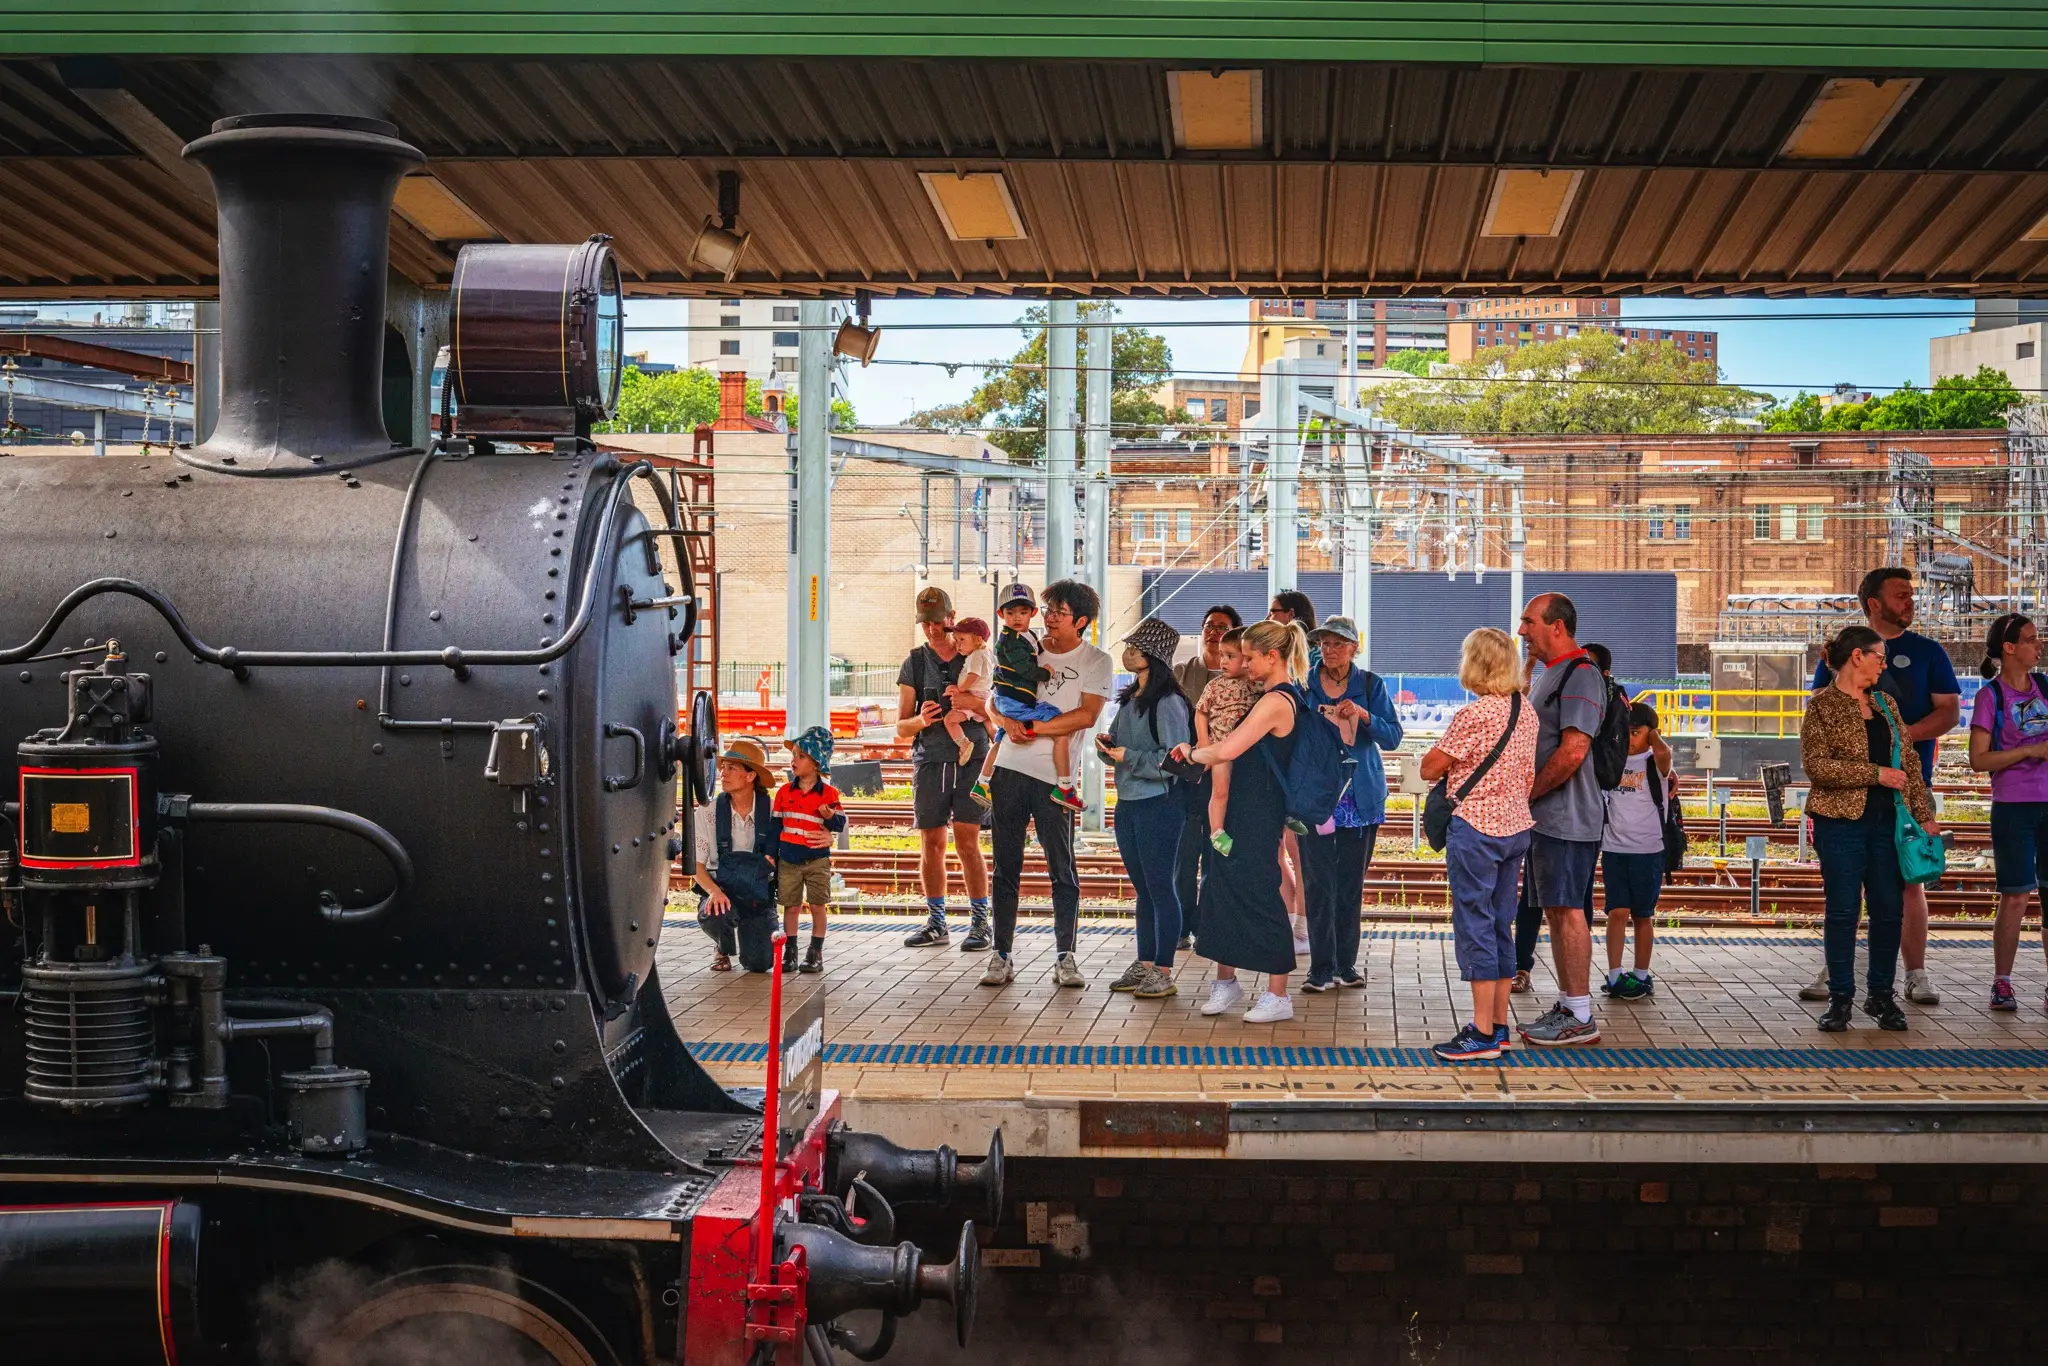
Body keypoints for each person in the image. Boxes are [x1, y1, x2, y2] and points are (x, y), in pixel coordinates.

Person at [1801, 567, 1960, 1007]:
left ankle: (1915, 973)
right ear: (1875, 603)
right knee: (1844, 890)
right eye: (1902, 594)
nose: (1911, 601)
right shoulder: (1842, 654)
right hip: (1849, 800)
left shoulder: (1929, 652)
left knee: (1909, 882)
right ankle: (1839, 973)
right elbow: (1823, 712)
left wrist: (1901, 737)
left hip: (1905, 788)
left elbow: (1949, 713)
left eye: (1911, 594)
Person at [980, 580, 1113, 989]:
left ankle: (1065, 955)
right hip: (1008, 769)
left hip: (1054, 780)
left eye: (1059, 612)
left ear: (1082, 622)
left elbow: (1087, 716)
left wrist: (1034, 727)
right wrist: (1005, 722)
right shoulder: (1023, 645)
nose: (1049, 617)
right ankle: (1001, 954)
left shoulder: (1097, 660)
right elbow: (991, 699)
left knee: (1062, 868)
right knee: (1006, 868)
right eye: (1048, 609)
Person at [1179, 620, 1311, 1024]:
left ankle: (1278, 994)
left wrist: (1190, 753)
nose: (1245, 665)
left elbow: (1230, 748)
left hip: (1260, 810)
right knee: (1219, 887)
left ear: (1273, 657)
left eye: (1250, 657)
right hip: (1240, 805)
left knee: (1259, 893)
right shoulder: (1267, 694)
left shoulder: (1277, 700)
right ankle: (1226, 981)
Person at [1421, 628, 1539, 1061]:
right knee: (1500, 923)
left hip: (1477, 829)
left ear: (1475, 664)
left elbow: (1432, 766)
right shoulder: (1524, 710)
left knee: (1474, 923)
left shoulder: (1474, 715)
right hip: (1515, 829)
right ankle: (1500, 1025)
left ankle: (1481, 1032)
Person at [1514, 592, 1605, 1046]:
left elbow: (1573, 751)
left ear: (1557, 626)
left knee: (1568, 911)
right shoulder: (1552, 674)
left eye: (1529, 622)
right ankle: (1571, 1006)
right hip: (1549, 820)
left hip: (1568, 817)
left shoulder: (1580, 675)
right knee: (1555, 909)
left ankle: (1581, 1015)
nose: (1521, 630)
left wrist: (1526, 793)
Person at [1298, 615, 1403, 992]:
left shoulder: (1370, 684)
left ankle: (1346, 965)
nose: (1330, 650)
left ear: (1354, 647)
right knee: (1316, 882)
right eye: (1324, 643)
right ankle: (1320, 968)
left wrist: (1364, 716)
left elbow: (1393, 737)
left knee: (1349, 885)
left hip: (1358, 799)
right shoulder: (1304, 684)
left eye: (1338, 644)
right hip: (1316, 798)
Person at [1098, 617, 1193, 1001]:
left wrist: (1127, 756)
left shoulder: (1169, 703)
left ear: (1152, 656)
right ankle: (1146, 961)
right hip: (1129, 803)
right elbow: (1122, 747)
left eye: (1135, 648)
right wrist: (1109, 750)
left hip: (1159, 805)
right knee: (1144, 889)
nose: (1128, 652)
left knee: (1160, 887)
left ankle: (1164, 969)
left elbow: (1174, 760)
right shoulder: (1131, 699)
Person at [894, 586, 992, 951]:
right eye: (925, 624)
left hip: (973, 759)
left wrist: (975, 708)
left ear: (952, 619)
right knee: (931, 842)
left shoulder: (977, 655)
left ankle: (980, 922)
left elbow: (995, 709)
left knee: (968, 840)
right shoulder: (915, 662)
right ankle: (937, 922)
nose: (933, 631)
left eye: (938, 622)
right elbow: (900, 727)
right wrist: (921, 719)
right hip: (931, 759)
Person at [1967, 613, 2048, 1012]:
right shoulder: (1990, 697)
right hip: (2014, 805)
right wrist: (2030, 750)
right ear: (2009, 648)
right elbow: (1979, 760)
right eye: (2032, 640)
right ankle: (2003, 982)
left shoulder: (2046, 687)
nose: (2039, 646)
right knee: (2015, 896)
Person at [975, 583, 1082, 814]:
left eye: (1023, 612)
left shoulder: (1027, 636)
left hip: (1010, 701)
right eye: (1010, 613)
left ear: (1032, 613)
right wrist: (1045, 673)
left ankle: (983, 782)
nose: (1016, 618)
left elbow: (1036, 653)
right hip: (1015, 701)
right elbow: (1025, 668)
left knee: (1000, 739)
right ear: (1000, 614)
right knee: (1059, 726)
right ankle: (1064, 786)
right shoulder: (1011, 640)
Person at [1174, 605, 1242, 948]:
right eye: (1209, 626)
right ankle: (1182, 926)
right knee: (1184, 858)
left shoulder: (1244, 679)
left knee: (1218, 857)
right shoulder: (1181, 672)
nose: (1214, 632)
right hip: (1187, 780)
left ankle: (1211, 927)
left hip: (1228, 781)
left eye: (1222, 627)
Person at [1599, 701, 1672, 1002]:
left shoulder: (1656, 763)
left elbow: (1665, 755)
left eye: (1636, 733)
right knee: (1616, 912)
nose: (1630, 739)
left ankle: (1641, 975)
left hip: (1648, 850)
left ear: (1650, 734)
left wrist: (1652, 735)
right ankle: (1615, 975)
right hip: (1614, 848)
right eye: (1625, 732)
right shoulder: (1612, 762)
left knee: (1643, 915)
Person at [693, 737, 780, 974]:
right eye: (723, 767)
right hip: (722, 890)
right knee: (714, 915)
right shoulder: (707, 811)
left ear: (751, 776)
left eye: (732, 768)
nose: (723, 773)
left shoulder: (773, 811)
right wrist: (714, 892)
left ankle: (754, 933)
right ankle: (722, 946)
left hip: (757, 896)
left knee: (759, 965)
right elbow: (696, 866)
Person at [1266, 591, 1317, 953]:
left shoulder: (1303, 665)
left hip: (1295, 771)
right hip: (1284, 769)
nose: (1268, 617)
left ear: (1292, 616)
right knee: (1282, 847)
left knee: (1296, 850)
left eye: (1274, 612)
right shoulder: (1289, 667)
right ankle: (1291, 923)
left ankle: (1301, 927)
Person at [773, 726, 844, 975]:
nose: (794, 760)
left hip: (817, 860)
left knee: (817, 905)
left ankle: (815, 951)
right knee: (790, 906)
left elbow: (840, 824)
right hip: (789, 859)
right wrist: (772, 854)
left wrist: (830, 816)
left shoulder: (829, 794)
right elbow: (775, 825)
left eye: (801, 756)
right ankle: (789, 951)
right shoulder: (783, 792)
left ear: (816, 763)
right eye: (793, 754)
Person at [1194, 628, 1258, 856]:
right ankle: (1216, 832)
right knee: (1219, 791)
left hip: (1249, 750)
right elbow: (1200, 713)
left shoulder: (1255, 684)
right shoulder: (1214, 685)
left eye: (1231, 656)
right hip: (1220, 748)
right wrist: (1204, 744)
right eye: (1222, 655)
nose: (1223, 661)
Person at [944, 616, 995, 768]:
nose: (957, 645)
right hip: (985, 695)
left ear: (978, 640)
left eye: (962, 640)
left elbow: (973, 676)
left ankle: (964, 744)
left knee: (950, 720)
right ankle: (998, 742)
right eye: (956, 640)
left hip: (972, 695)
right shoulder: (988, 654)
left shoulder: (975, 656)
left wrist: (959, 689)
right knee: (989, 722)